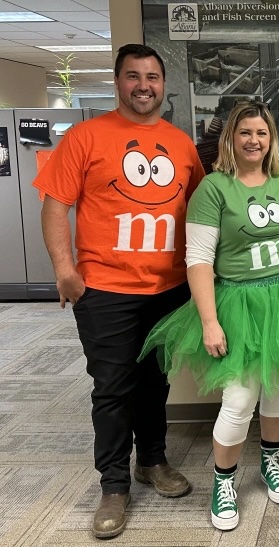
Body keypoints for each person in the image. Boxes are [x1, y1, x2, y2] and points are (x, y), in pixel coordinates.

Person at [138, 100, 279, 531]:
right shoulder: (214, 189)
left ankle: (271, 458)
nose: (254, 140)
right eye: (245, 133)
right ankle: (225, 480)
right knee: (238, 401)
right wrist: (210, 320)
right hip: (239, 302)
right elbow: (197, 259)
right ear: (230, 138)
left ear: (271, 139)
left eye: (262, 133)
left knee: (278, 388)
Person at [33, 44, 206, 539]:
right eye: (133, 76)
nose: (144, 85)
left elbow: (201, 215)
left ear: (163, 85)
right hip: (105, 289)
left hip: (168, 288)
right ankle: (113, 485)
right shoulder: (86, 137)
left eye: (152, 76)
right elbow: (54, 206)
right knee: (112, 388)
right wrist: (65, 271)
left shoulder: (180, 143)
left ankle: (152, 461)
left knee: (156, 382)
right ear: (118, 82)